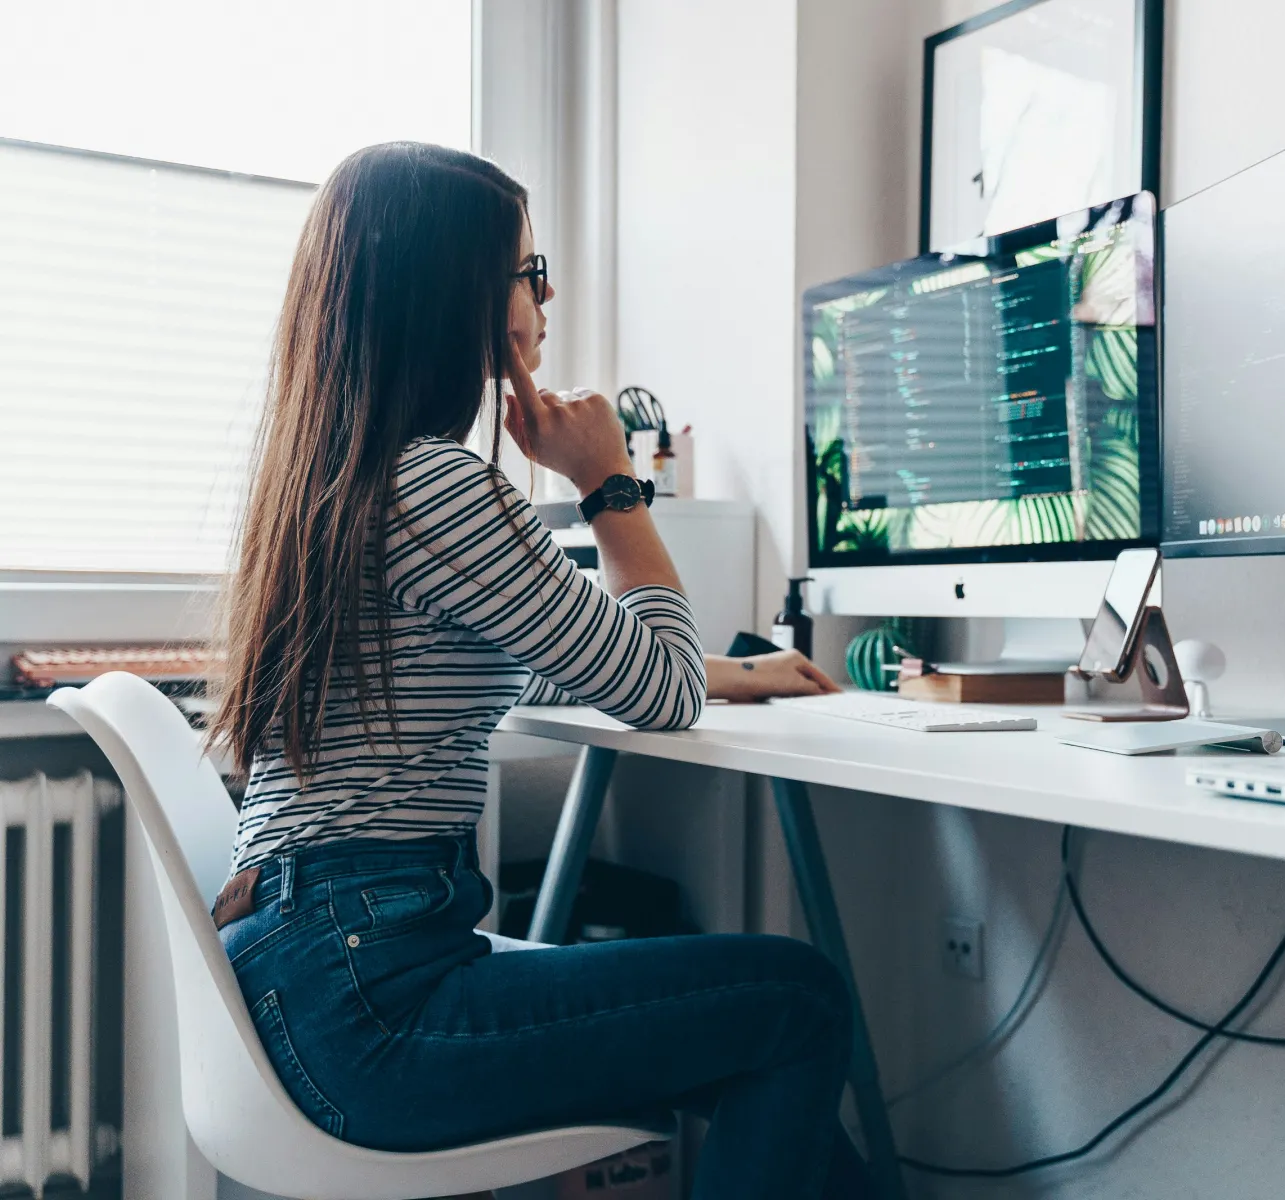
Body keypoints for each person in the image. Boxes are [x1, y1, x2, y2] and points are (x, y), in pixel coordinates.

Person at [208, 142, 870, 1200]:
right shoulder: (438, 487)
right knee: (795, 1001)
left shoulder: (338, 479)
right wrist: (610, 484)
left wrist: (728, 671)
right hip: (370, 1003)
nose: (547, 293)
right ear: (457, 287)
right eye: (528, 269)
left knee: (758, 1017)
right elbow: (657, 695)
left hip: (308, 973)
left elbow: (536, 656)